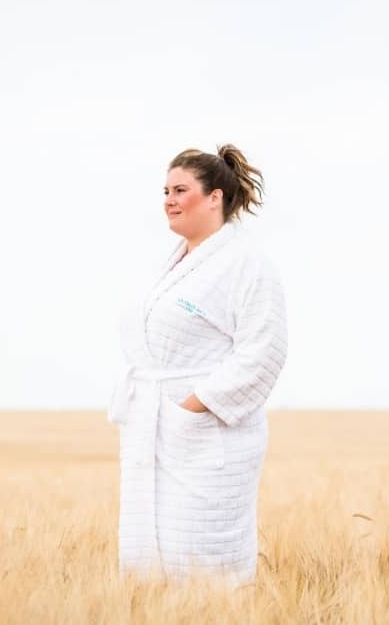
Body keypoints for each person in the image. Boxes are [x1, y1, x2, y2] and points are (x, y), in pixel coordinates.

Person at [107, 144, 288, 586]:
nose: (168, 199)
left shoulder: (247, 264)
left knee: (203, 559)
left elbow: (265, 350)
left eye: (180, 189)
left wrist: (195, 404)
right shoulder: (168, 266)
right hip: (151, 422)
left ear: (215, 198)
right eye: (165, 190)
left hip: (206, 431)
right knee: (147, 561)